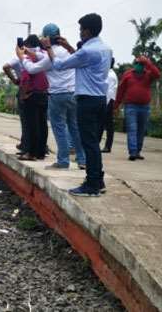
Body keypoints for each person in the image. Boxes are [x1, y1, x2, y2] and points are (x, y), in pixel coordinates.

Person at [41, 13, 112, 197]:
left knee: (89, 143)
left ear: (87, 31)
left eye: (81, 29)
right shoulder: (105, 49)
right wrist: (68, 46)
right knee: (93, 143)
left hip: (86, 101)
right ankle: (98, 179)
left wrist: (49, 48)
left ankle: (92, 185)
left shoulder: (87, 51)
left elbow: (59, 65)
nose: (80, 32)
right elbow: (81, 59)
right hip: (100, 100)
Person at [40, 23, 86, 170]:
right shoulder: (68, 52)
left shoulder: (48, 56)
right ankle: (82, 159)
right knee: (75, 127)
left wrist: (24, 56)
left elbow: (32, 68)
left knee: (59, 128)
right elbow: (78, 58)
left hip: (57, 95)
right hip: (73, 93)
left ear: (45, 38)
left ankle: (63, 160)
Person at [114, 56, 161, 160]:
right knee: (132, 129)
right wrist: (116, 105)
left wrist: (148, 63)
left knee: (141, 130)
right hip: (131, 106)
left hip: (145, 107)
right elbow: (121, 90)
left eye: (141, 64)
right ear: (134, 64)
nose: (139, 66)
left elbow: (157, 75)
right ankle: (133, 152)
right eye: (137, 63)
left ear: (144, 66)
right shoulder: (128, 75)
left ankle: (138, 151)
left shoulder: (149, 74)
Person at [15, 34, 50, 160]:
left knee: (31, 125)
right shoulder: (42, 54)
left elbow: (25, 78)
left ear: (28, 45)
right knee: (42, 124)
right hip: (44, 93)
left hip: (32, 94)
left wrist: (23, 95)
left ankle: (31, 153)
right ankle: (41, 152)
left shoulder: (27, 58)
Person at [3, 57, 28, 154]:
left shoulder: (20, 58)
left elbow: (5, 67)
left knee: (25, 120)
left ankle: (25, 145)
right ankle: (42, 146)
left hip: (24, 89)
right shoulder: (41, 56)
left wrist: (14, 80)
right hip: (42, 91)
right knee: (39, 121)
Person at [101, 58, 118, 153]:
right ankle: (107, 145)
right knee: (108, 125)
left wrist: (105, 104)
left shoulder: (110, 75)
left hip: (108, 101)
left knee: (108, 125)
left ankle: (108, 146)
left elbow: (109, 92)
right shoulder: (109, 74)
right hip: (108, 101)